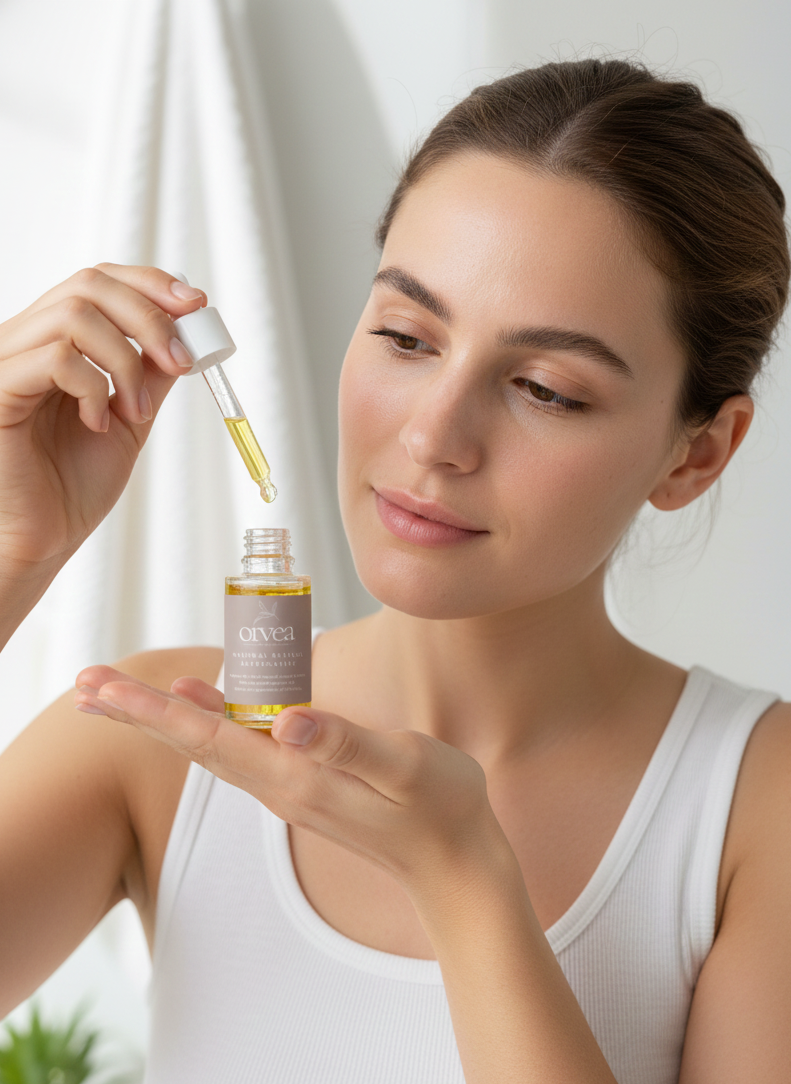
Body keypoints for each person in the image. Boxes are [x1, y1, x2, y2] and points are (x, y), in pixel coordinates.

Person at [0, 57, 789, 1084]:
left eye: (546, 389)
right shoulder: (158, 739)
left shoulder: (752, 804)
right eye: (406, 336)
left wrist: (465, 881)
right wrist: (14, 552)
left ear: (693, 454)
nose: (431, 436)